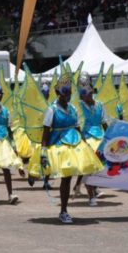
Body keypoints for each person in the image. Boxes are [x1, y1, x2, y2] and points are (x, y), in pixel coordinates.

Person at [31, 74, 103, 223]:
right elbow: (46, 132)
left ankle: (66, 208)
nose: (68, 96)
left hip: (75, 145)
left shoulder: (73, 108)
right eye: (65, 93)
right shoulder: (52, 110)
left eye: (70, 93)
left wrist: (86, 145)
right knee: (65, 178)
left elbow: (77, 128)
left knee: (72, 176)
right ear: (58, 93)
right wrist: (43, 152)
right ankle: (63, 210)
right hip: (58, 145)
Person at [75, 79, 107, 206]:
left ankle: (89, 187)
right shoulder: (79, 106)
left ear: (92, 92)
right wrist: (82, 140)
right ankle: (91, 195)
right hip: (86, 137)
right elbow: (78, 124)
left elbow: (104, 122)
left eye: (87, 93)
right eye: (82, 94)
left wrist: (110, 137)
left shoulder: (100, 105)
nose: (85, 96)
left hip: (100, 137)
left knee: (100, 167)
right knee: (88, 167)